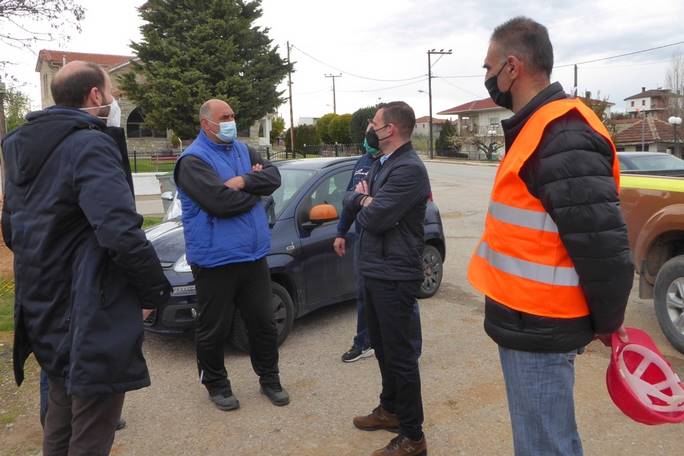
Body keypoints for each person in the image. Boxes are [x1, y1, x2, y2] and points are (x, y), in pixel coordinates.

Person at [468, 17, 634, 455]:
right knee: (542, 440)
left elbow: (604, 247)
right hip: (527, 322)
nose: (487, 77)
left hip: (541, 326)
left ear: (512, 67)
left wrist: (608, 322)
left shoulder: (561, 134)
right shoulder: (538, 128)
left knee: (544, 446)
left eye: (488, 67)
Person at [1, 60, 171, 455]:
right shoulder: (89, 144)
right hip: (88, 309)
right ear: (96, 96)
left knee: (59, 420)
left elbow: (12, 230)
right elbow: (120, 231)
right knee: (92, 430)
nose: (113, 100)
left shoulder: (18, 145)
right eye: (111, 92)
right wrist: (152, 292)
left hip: (42, 304)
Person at [174, 98, 288, 411]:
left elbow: (274, 178)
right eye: (224, 117)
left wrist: (244, 181)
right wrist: (257, 193)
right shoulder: (192, 160)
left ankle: (270, 379)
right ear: (206, 123)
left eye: (232, 116)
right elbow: (220, 203)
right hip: (215, 260)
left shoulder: (244, 150)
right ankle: (216, 385)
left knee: (263, 324)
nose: (231, 122)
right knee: (214, 329)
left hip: (252, 256)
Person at [344, 102, 430, 456]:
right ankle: (390, 409)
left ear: (390, 128)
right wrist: (364, 200)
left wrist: (364, 201)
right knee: (381, 347)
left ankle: (413, 436)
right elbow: (353, 199)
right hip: (375, 269)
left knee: (400, 355)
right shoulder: (384, 163)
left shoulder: (408, 169)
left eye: (375, 123)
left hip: (395, 275)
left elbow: (374, 218)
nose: (371, 128)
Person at [335, 129, 423, 363]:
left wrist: (363, 201)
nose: (369, 136)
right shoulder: (365, 163)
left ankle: (411, 349)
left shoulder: (402, 167)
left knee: (404, 303)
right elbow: (348, 198)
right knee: (365, 296)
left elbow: (380, 212)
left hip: (391, 245)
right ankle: (364, 342)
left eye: (375, 127)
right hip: (364, 240)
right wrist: (341, 231)